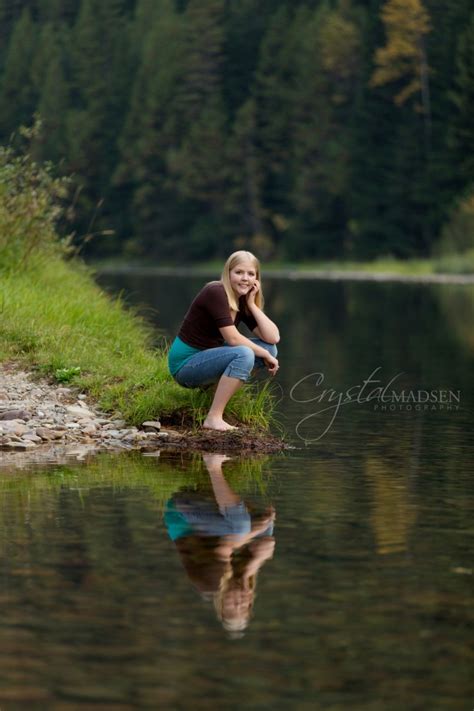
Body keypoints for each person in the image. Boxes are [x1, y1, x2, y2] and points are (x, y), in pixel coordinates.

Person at [164, 453, 276, 636]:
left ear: (221, 604)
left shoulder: (210, 585)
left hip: (181, 513)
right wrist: (246, 574)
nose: (240, 602)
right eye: (245, 606)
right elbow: (268, 544)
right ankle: (222, 482)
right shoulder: (242, 577)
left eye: (233, 606)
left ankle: (213, 467)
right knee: (264, 531)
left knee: (242, 528)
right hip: (209, 524)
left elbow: (228, 544)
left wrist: (256, 528)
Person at [168, 250, 280, 431]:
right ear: (228, 273)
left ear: (257, 279)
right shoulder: (215, 291)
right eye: (239, 272)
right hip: (185, 366)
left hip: (207, 358)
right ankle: (213, 417)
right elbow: (233, 338)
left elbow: (273, 337)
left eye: (251, 274)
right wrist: (264, 354)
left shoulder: (242, 301)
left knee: (270, 348)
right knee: (245, 353)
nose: (245, 278)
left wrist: (252, 305)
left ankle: (214, 392)